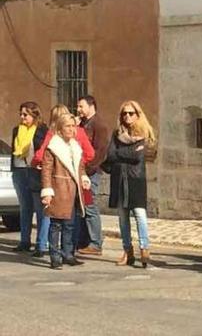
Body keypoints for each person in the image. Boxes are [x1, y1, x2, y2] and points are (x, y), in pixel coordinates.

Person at [32, 105, 95, 262]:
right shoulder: (53, 147)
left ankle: (68, 254)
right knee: (55, 225)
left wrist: (84, 178)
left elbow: (80, 167)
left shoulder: (75, 147)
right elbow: (46, 170)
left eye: (73, 126)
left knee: (70, 225)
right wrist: (47, 191)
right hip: (58, 189)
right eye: (68, 126)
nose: (71, 129)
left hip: (73, 191)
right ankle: (55, 256)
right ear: (60, 129)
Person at [105, 100, 156, 268]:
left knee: (140, 215)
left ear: (137, 115)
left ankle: (145, 249)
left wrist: (122, 153)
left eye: (131, 113)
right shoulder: (116, 134)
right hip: (119, 178)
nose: (127, 116)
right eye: (124, 113)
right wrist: (127, 153)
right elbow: (111, 155)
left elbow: (138, 157)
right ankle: (128, 251)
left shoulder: (144, 133)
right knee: (122, 218)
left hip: (136, 179)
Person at [10, 102, 48, 254]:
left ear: (34, 115)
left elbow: (44, 150)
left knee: (40, 209)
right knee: (25, 208)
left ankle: (41, 244)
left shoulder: (41, 130)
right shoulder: (16, 130)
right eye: (20, 114)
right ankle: (24, 241)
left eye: (25, 114)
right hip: (19, 171)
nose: (22, 117)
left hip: (34, 171)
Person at [76, 95, 111, 256]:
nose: (78, 110)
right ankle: (83, 240)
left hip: (91, 174)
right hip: (81, 172)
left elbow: (101, 152)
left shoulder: (99, 125)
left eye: (81, 106)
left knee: (90, 206)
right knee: (81, 207)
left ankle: (96, 242)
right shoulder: (83, 124)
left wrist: (89, 169)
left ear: (91, 106)